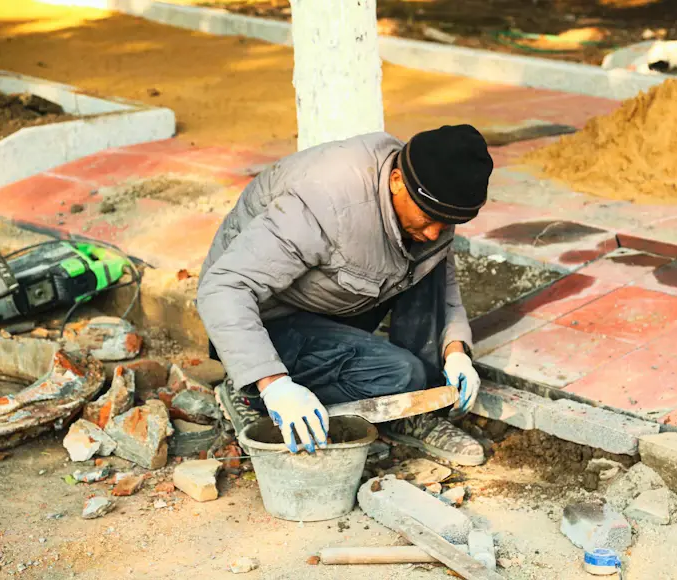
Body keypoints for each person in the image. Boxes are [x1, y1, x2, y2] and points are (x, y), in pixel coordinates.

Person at [197, 125, 493, 466]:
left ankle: (416, 406)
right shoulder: (324, 202)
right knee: (400, 374)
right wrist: (272, 383)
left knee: (426, 261)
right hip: (267, 316)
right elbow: (224, 288)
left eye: (446, 224)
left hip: (334, 296)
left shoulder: (429, 194)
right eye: (429, 219)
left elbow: (440, 274)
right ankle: (247, 392)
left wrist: (455, 350)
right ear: (397, 180)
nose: (433, 232)